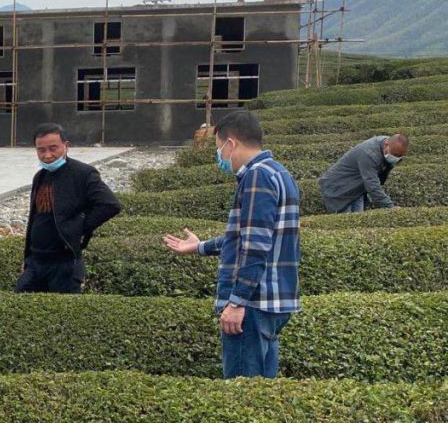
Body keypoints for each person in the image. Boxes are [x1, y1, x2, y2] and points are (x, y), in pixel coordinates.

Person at [164, 110, 300, 379]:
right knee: (264, 390)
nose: (220, 156)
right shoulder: (278, 172)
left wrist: (237, 303)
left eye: (218, 148)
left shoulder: (256, 177)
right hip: (273, 302)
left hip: (254, 304)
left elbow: (255, 247)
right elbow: (250, 236)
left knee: (243, 391)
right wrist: (201, 246)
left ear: (231, 143)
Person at [15, 123, 121, 293]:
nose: (47, 155)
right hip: (36, 261)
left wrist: (79, 228)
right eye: (41, 150)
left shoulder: (83, 173)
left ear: (66, 146)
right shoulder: (40, 176)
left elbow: (110, 204)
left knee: (62, 314)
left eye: (53, 148)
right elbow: (35, 217)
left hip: (64, 262)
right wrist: (27, 258)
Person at [317, 133, 408, 213]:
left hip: (357, 189)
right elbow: (372, 185)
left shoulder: (390, 146)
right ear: (386, 144)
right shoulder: (369, 154)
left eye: (399, 156)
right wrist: (390, 207)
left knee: (358, 220)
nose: (396, 157)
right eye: (395, 154)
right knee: (347, 224)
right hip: (339, 188)